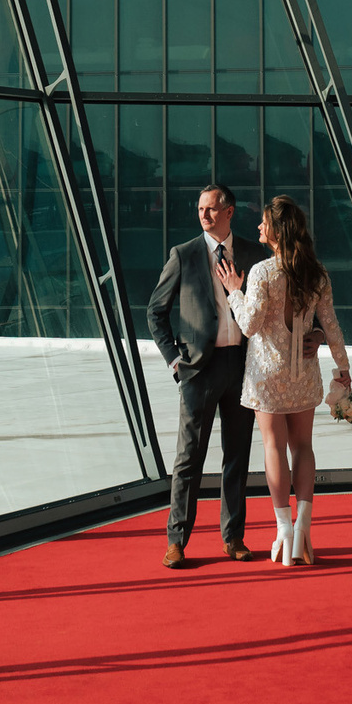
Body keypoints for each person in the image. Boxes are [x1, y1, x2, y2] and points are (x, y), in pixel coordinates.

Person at [220, 194, 351, 566]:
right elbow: (332, 325)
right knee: (304, 448)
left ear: (276, 231)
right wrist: (342, 368)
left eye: (263, 223)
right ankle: (304, 526)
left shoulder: (261, 273)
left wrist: (234, 292)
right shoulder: (316, 272)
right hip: (303, 373)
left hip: (266, 376)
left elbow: (248, 325)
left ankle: (283, 530)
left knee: (274, 449)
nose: (258, 227)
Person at [146, 184, 270, 569]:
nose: (204, 215)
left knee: (237, 455)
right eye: (201, 209)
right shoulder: (183, 256)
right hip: (198, 370)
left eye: (212, 209)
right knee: (189, 458)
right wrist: (174, 361)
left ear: (229, 212)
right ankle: (176, 541)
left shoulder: (253, 254)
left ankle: (233, 538)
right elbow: (155, 312)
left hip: (242, 366)